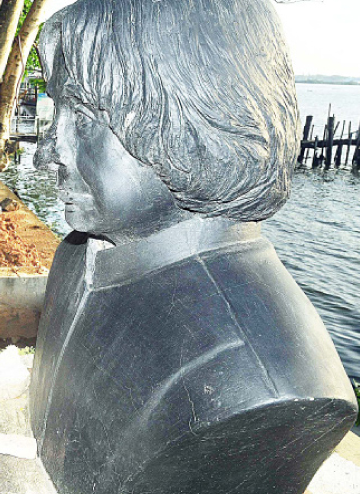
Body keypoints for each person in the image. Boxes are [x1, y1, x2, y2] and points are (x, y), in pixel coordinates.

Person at [28, 1, 357, 494]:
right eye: (59, 111)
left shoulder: (266, 383)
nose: (46, 151)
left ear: (198, 123)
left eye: (87, 117)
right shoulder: (76, 255)